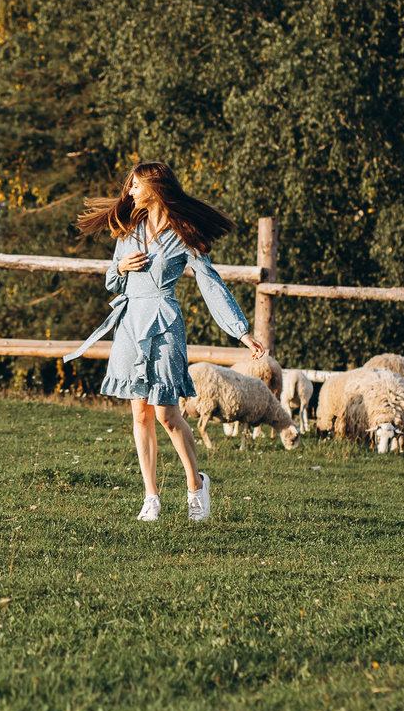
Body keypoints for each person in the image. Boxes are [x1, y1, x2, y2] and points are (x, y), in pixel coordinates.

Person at [66, 162, 268, 522]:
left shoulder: (182, 234)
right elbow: (112, 280)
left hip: (165, 322)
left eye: (135, 186)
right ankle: (151, 498)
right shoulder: (128, 231)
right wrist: (121, 268)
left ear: (155, 188)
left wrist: (241, 331)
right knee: (139, 413)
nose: (129, 192)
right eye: (129, 187)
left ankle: (196, 486)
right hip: (130, 323)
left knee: (167, 413)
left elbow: (211, 284)